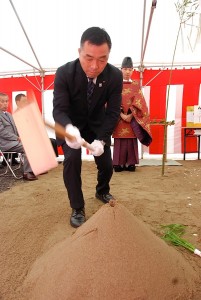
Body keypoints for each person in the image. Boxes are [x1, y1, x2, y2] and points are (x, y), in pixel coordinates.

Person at [53, 27, 123, 228]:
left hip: (97, 125)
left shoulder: (115, 76)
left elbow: (112, 112)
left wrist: (101, 139)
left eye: (102, 59)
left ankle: (102, 190)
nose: (95, 66)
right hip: (70, 125)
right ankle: (77, 207)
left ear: (109, 55)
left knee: (107, 164)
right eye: (89, 58)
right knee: (72, 160)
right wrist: (69, 128)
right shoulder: (64, 73)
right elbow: (58, 109)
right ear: (79, 52)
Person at [112, 57, 152, 172]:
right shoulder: (115, 84)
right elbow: (111, 100)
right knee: (119, 140)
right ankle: (117, 164)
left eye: (130, 69)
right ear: (121, 70)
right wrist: (120, 113)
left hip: (132, 118)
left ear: (133, 70)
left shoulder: (135, 85)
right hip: (118, 117)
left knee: (131, 140)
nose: (127, 72)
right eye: (125, 69)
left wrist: (130, 114)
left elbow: (140, 102)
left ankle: (131, 163)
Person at [0, 92, 38, 180]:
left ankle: (35, 168)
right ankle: (27, 172)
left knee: (34, 143)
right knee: (28, 147)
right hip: (6, 144)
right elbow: (2, 132)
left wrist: (23, 136)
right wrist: (17, 138)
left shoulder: (9, 114)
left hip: (15, 142)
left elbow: (16, 129)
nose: (5, 103)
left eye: (7, 101)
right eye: (3, 101)